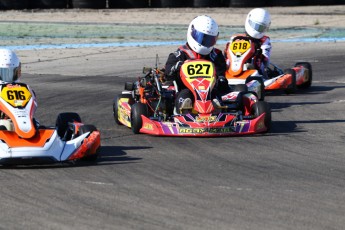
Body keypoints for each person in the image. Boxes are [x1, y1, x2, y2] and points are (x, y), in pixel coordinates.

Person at [164, 15, 229, 114]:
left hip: (209, 91)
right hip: (185, 91)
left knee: (215, 94)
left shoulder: (216, 55)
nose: (205, 42)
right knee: (185, 94)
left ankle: (216, 110)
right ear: (192, 32)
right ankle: (184, 111)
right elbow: (168, 73)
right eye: (202, 38)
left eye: (209, 39)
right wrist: (176, 67)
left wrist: (221, 78)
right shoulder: (179, 55)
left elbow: (221, 73)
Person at [224, 8, 272, 78]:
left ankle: (258, 74)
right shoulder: (235, 38)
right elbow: (227, 56)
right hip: (233, 68)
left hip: (255, 71)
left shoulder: (264, 40)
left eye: (260, 28)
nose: (257, 30)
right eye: (256, 26)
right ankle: (228, 71)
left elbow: (265, 61)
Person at [0, 49, 25, 130]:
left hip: (17, 123)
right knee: (6, 125)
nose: (8, 76)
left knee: (35, 122)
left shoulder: (21, 89)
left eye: (12, 72)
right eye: (4, 72)